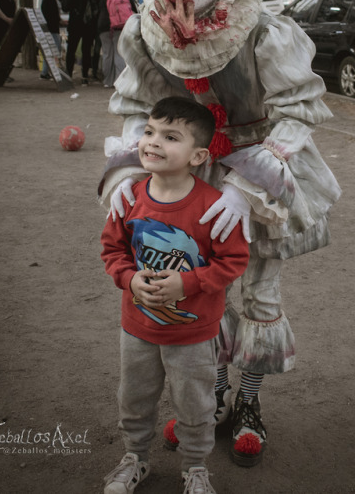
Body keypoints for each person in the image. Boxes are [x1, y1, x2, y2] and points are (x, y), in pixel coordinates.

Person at [99, 0, 341, 467]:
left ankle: (250, 404)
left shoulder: (261, 29)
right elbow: (138, 105)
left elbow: (298, 109)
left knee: (257, 294)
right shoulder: (149, 28)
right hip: (191, 174)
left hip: (261, 172)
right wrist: (128, 173)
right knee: (200, 289)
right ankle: (212, 402)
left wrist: (246, 186)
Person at [101, 96, 250, 494]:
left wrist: (187, 283)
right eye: (149, 132)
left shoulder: (214, 207)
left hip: (194, 334)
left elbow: (233, 261)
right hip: (137, 329)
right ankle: (135, 457)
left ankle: (196, 468)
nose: (152, 142)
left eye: (170, 136)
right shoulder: (129, 197)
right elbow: (112, 251)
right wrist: (129, 280)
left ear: (199, 155)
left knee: (196, 406)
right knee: (134, 399)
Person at [62, 0, 100, 85]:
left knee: (71, 49)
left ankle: (69, 73)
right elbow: (97, 5)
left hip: (75, 23)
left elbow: (65, 7)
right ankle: (85, 75)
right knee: (86, 49)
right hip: (89, 25)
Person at [98, 0, 133, 88]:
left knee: (107, 54)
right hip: (119, 26)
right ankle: (119, 80)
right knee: (119, 53)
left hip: (104, 27)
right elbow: (132, 6)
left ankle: (107, 81)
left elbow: (99, 9)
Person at [40, 0, 65, 80]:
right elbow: (48, 14)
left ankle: (45, 72)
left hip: (55, 27)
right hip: (50, 28)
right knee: (55, 49)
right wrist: (57, 21)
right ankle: (47, 71)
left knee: (53, 50)